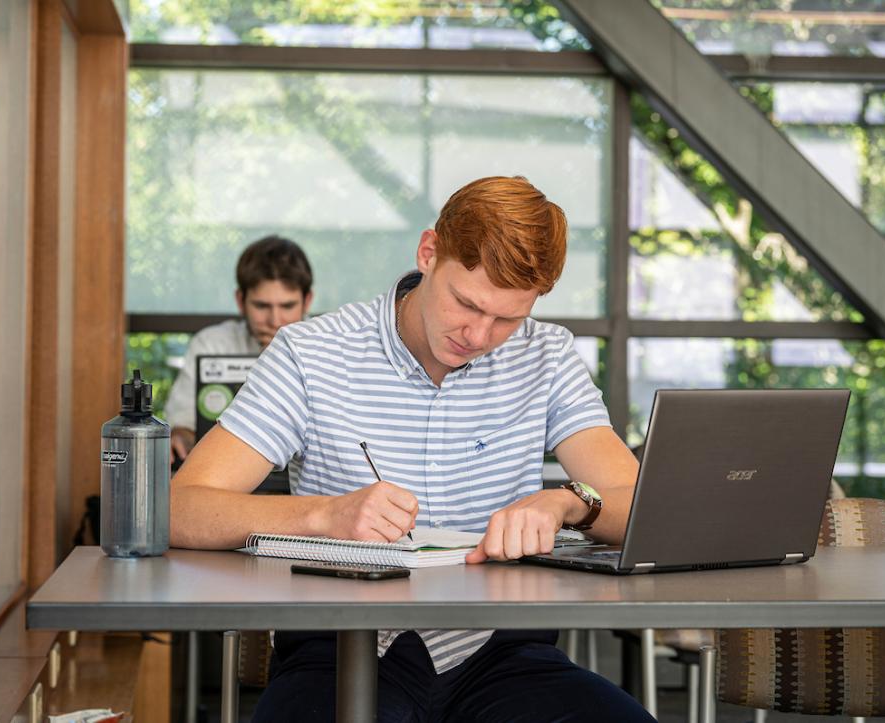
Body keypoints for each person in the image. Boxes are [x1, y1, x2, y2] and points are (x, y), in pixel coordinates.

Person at [171, 177, 654, 722]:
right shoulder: (311, 353)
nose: (478, 335)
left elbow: (643, 504)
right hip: (342, 653)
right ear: (429, 253)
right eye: (466, 304)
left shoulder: (545, 355)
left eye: (507, 318)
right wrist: (325, 513)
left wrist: (569, 502)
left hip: (503, 655)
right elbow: (180, 507)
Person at [165, 235, 313, 462]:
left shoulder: (328, 347)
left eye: (287, 306)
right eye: (262, 306)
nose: (275, 319)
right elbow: (183, 425)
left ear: (307, 301)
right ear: (240, 301)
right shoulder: (212, 344)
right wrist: (180, 438)